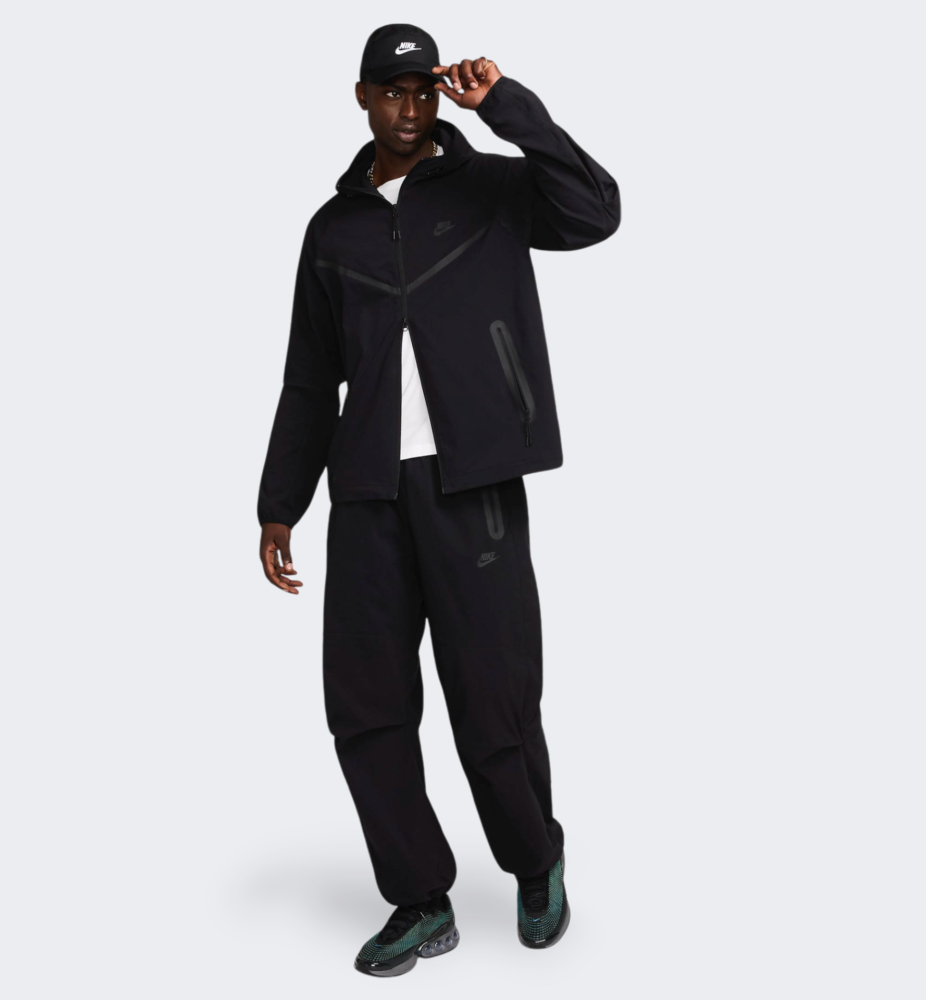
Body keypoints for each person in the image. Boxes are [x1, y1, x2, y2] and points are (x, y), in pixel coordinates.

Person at [256, 23, 620, 977]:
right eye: (393, 92)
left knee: (493, 696)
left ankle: (535, 861)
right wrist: (279, 503)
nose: (411, 108)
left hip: (473, 485)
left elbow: (596, 210)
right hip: (367, 494)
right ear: (362, 98)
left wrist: (505, 106)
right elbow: (309, 378)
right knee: (366, 708)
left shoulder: (490, 188)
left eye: (425, 90)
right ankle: (420, 898)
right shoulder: (332, 229)